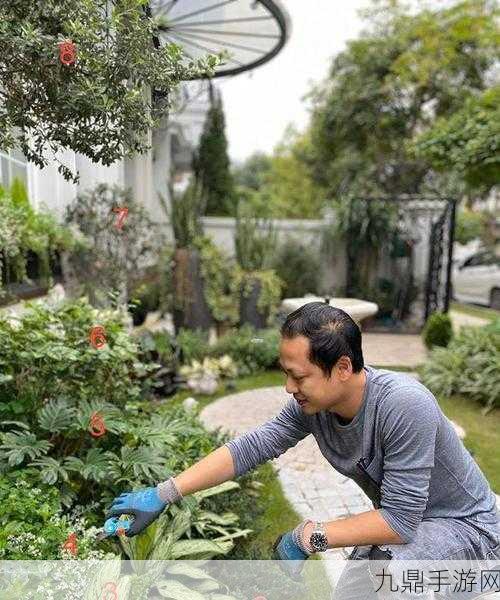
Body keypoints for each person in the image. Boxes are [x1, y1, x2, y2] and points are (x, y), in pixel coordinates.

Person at [105, 302, 499, 598]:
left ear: (342, 368)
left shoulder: (403, 404)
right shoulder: (314, 408)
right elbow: (251, 447)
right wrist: (164, 493)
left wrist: (309, 537)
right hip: (413, 532)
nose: (289, 388)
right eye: (286, 374)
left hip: (472, 533)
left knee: (385, 577)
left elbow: (399, 523)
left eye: (299, 376)